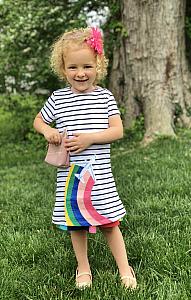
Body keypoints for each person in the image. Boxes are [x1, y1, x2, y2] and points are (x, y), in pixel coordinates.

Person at [33, 27, 137, 290]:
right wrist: (49, 131)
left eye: (88, 66)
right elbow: (39, 121)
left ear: (98, 65)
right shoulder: (58, 99)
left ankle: (125, 269)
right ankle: (83, 268)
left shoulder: (104, 97)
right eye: (73, 67)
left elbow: (117, 130)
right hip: (70, 176)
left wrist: (90, 138)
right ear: (63, 67)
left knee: (109, 223)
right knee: (76, 224)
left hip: (100, 176)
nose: (81, 73)